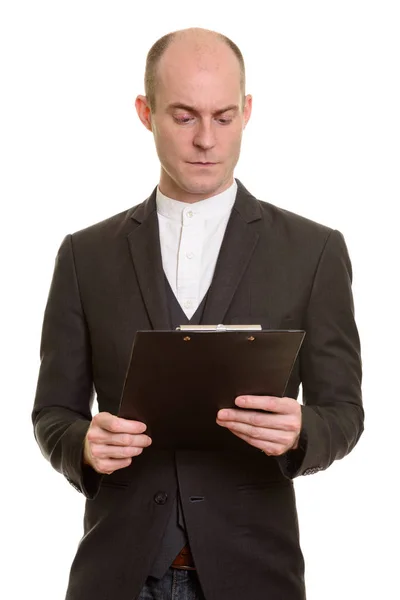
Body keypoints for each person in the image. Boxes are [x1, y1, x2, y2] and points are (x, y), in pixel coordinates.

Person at [32, 27, 364, 600]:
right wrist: (83, 445)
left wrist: (301, 432)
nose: (207, 139)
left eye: (225, 117)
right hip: (116, 575)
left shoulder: (315, 251)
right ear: (146, 112)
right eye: (185, 117)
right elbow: (53, 413)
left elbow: (345, 412)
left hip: (255, 575)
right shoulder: (85, 256)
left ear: (248, 111)